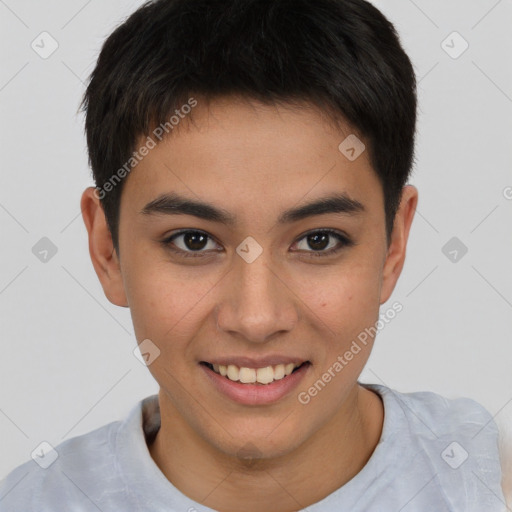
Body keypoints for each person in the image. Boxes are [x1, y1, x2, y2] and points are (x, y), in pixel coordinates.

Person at [0, 0, 507, 510]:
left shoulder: (489, 485)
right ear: (107, 250)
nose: (256, 318)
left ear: (393, 246)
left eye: (319, 240)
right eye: (193, 241)